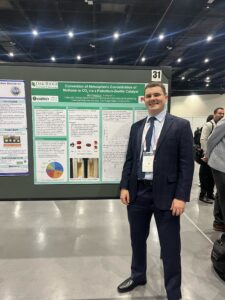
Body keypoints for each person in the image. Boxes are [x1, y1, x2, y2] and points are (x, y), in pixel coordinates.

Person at [118, 82, 194, 300]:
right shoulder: (137, 127)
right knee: (137, 239)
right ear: (144, 99)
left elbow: (186, 165)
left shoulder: (180, 125)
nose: (152, 98)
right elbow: (130, 160)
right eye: (148, 95)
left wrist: (181, 196)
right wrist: (124, 186)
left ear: (165, 97)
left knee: (170, 246)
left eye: (156, 95)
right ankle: (138, 275)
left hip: (168, 196)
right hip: (137, 193)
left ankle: (173, 292)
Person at [199, 107, 224, 203]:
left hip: (216, 158)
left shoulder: (220, 125)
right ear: (214, 114)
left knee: (212, 178)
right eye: (219, 113)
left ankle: (210, 193)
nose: (222, 115)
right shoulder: (209, 125)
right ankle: (203, 195)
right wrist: (206, 154)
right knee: (205, 176)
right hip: (207, 156)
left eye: (223, 113)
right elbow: (203, 139)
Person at [206, 117, 225, 232]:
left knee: (221, 192)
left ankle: (219, 221)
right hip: (220, 162)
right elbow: (211, 140)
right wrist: (207, 155)